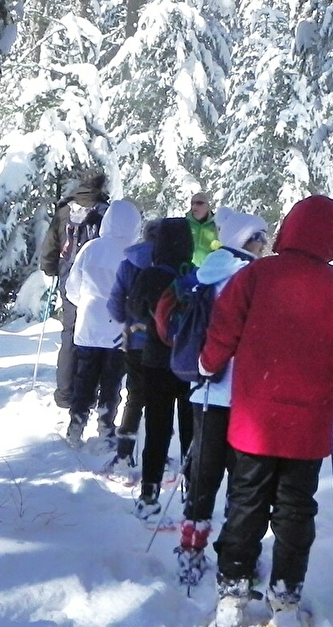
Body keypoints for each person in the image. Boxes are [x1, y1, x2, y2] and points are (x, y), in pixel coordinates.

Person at [200, 195, 333, 626]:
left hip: (254, 422)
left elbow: (224, 329)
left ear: (289, 228)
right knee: (296, 510)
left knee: (245, 503)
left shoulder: (257, 275)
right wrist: (322, 369)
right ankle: (285, 601)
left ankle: (232, 596)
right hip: (308, 423)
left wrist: (208, 363)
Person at [176, 207, 269, 582]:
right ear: (248, 239)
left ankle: (191, 548)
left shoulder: (205, 273)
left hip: (204, 387)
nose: (267, 244)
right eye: (262, 237)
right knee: (241, 478)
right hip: (244, 394)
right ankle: (234, 552)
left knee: (202, 473)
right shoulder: (254, 278)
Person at [62, 200, 143, 447]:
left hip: (88, 327)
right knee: (111, 382)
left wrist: (86, 303)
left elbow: (72, 288)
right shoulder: (134, 255)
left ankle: (76, 425)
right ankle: (105, 426)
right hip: (118, 331)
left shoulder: (91, 248)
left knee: (84, 378)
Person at [131, 216, 196, 518]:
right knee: (189, 429)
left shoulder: (148, 276)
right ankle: (191, 489)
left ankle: (149, 492)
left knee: (156, 428)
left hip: (155, 361)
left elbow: (132, 309)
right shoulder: (194, 275)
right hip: (188, 365)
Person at [40, 171, 110, 409]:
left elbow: (50, 243)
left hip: (68, 277)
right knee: (90, 334)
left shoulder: (65, 210)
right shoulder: (103, 211)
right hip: (95, 280)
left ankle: (64, 392)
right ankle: (89, 391)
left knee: (69, 332)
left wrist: (50, 267)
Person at [107, 220, 160, 470]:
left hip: (133, 340)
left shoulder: (128, 264)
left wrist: (124, 320)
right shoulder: (169, 264)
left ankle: (124, 455)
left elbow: (115, 303)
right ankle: (159, 456)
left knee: (135, 397)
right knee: (160, 399)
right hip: (162, 342)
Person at [186, 191, 221, 267]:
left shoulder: (217, 225)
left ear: (208, 206)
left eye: (199, 203)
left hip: (209, 272)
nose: (195, 206)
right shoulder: (184, 224)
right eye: (192, 203)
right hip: (187, 272)